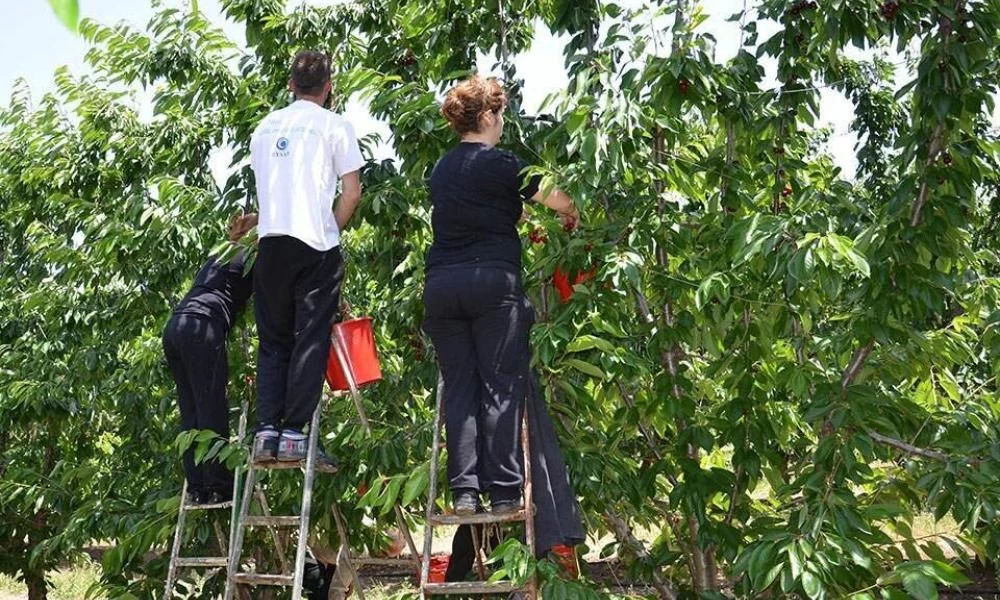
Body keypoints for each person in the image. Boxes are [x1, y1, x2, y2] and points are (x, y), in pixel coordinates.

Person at [422, 75, 581, 517]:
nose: (503, 123)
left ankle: (465, 492)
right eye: (501, 115)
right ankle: (507, 492)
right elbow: (559, 200)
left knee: (460, 389)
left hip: (442, 287)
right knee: (499, 386)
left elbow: (474, 204)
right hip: (493, 284)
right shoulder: (504, 163)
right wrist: (572, 212)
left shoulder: (442, 169)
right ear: (488, 115)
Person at [248, 50, 364, 467]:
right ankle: (295, 434)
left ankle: (265, 434)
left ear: (291, 85)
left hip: (272, 244)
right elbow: (351, 193)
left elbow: (276, 193)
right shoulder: (334, 126)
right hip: (315, 245)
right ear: (328, 88)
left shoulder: (263, 129)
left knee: (274, 339)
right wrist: (332, 228)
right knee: (309, 339)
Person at [163, 213, 257, 504]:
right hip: (203, 326)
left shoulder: (222, 252)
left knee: (190, 410)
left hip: (175, 328)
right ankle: (219, 485)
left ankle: (197, 487)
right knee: (211, 406)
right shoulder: (252, 258)